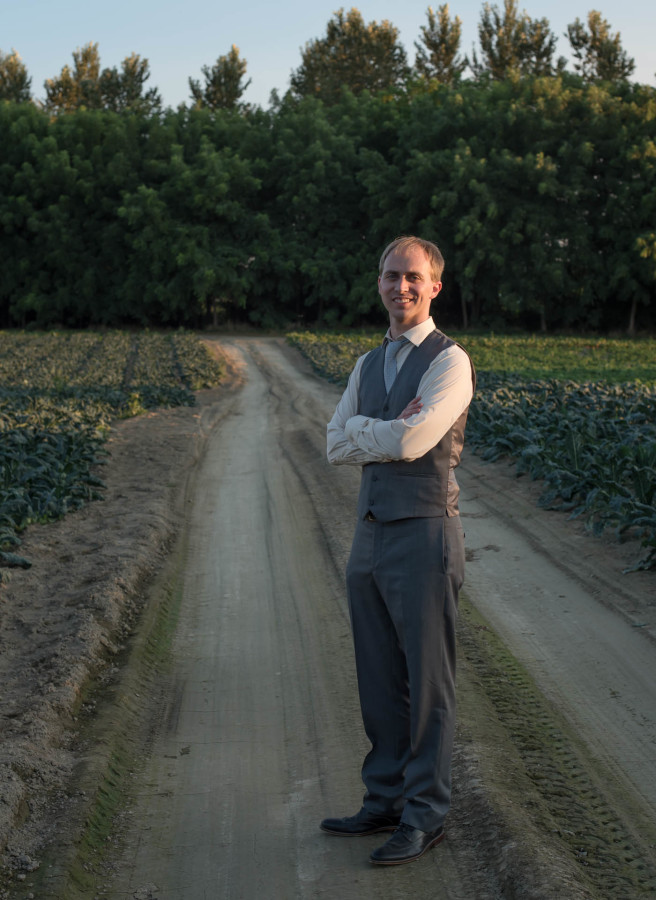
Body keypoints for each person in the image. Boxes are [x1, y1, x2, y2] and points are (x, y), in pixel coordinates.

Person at [322, 235, 475, 866]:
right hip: (370, 533)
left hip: (425, 534)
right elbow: (333, 444)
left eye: (413, 277)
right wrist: (372, 430)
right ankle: (383, 798)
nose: (400, 287)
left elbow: (415, 443)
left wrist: (370, 432)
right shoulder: (366, 363)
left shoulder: (450, 362)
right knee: (379, 680)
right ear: (379, 283)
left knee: (427, 685)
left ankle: (425, 815)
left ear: (435, 285)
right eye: (391, 276)